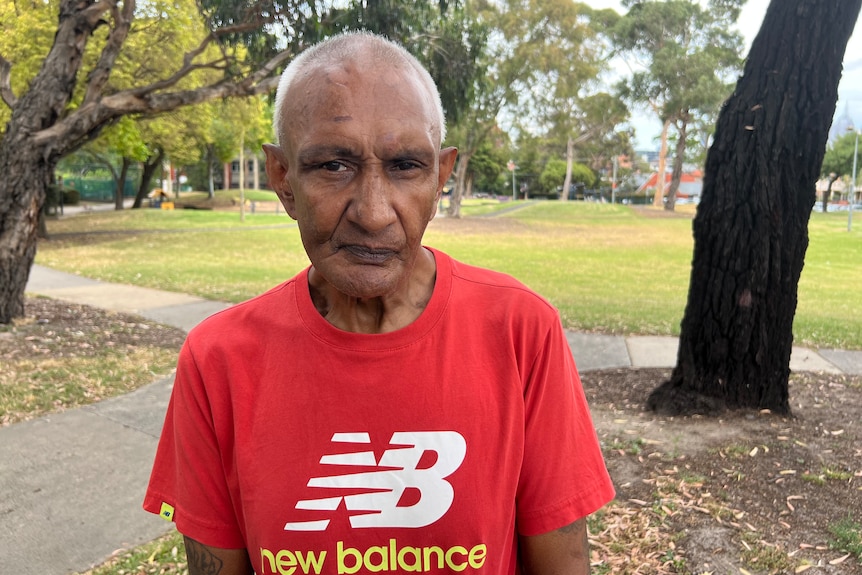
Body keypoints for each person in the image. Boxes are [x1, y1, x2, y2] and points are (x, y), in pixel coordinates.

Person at [143, 31, 615, 575]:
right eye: (333, 166)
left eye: (405, 166)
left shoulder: (520, 331)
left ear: (440, 177)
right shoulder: (219, 360)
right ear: (283, 178)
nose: (373, 213)